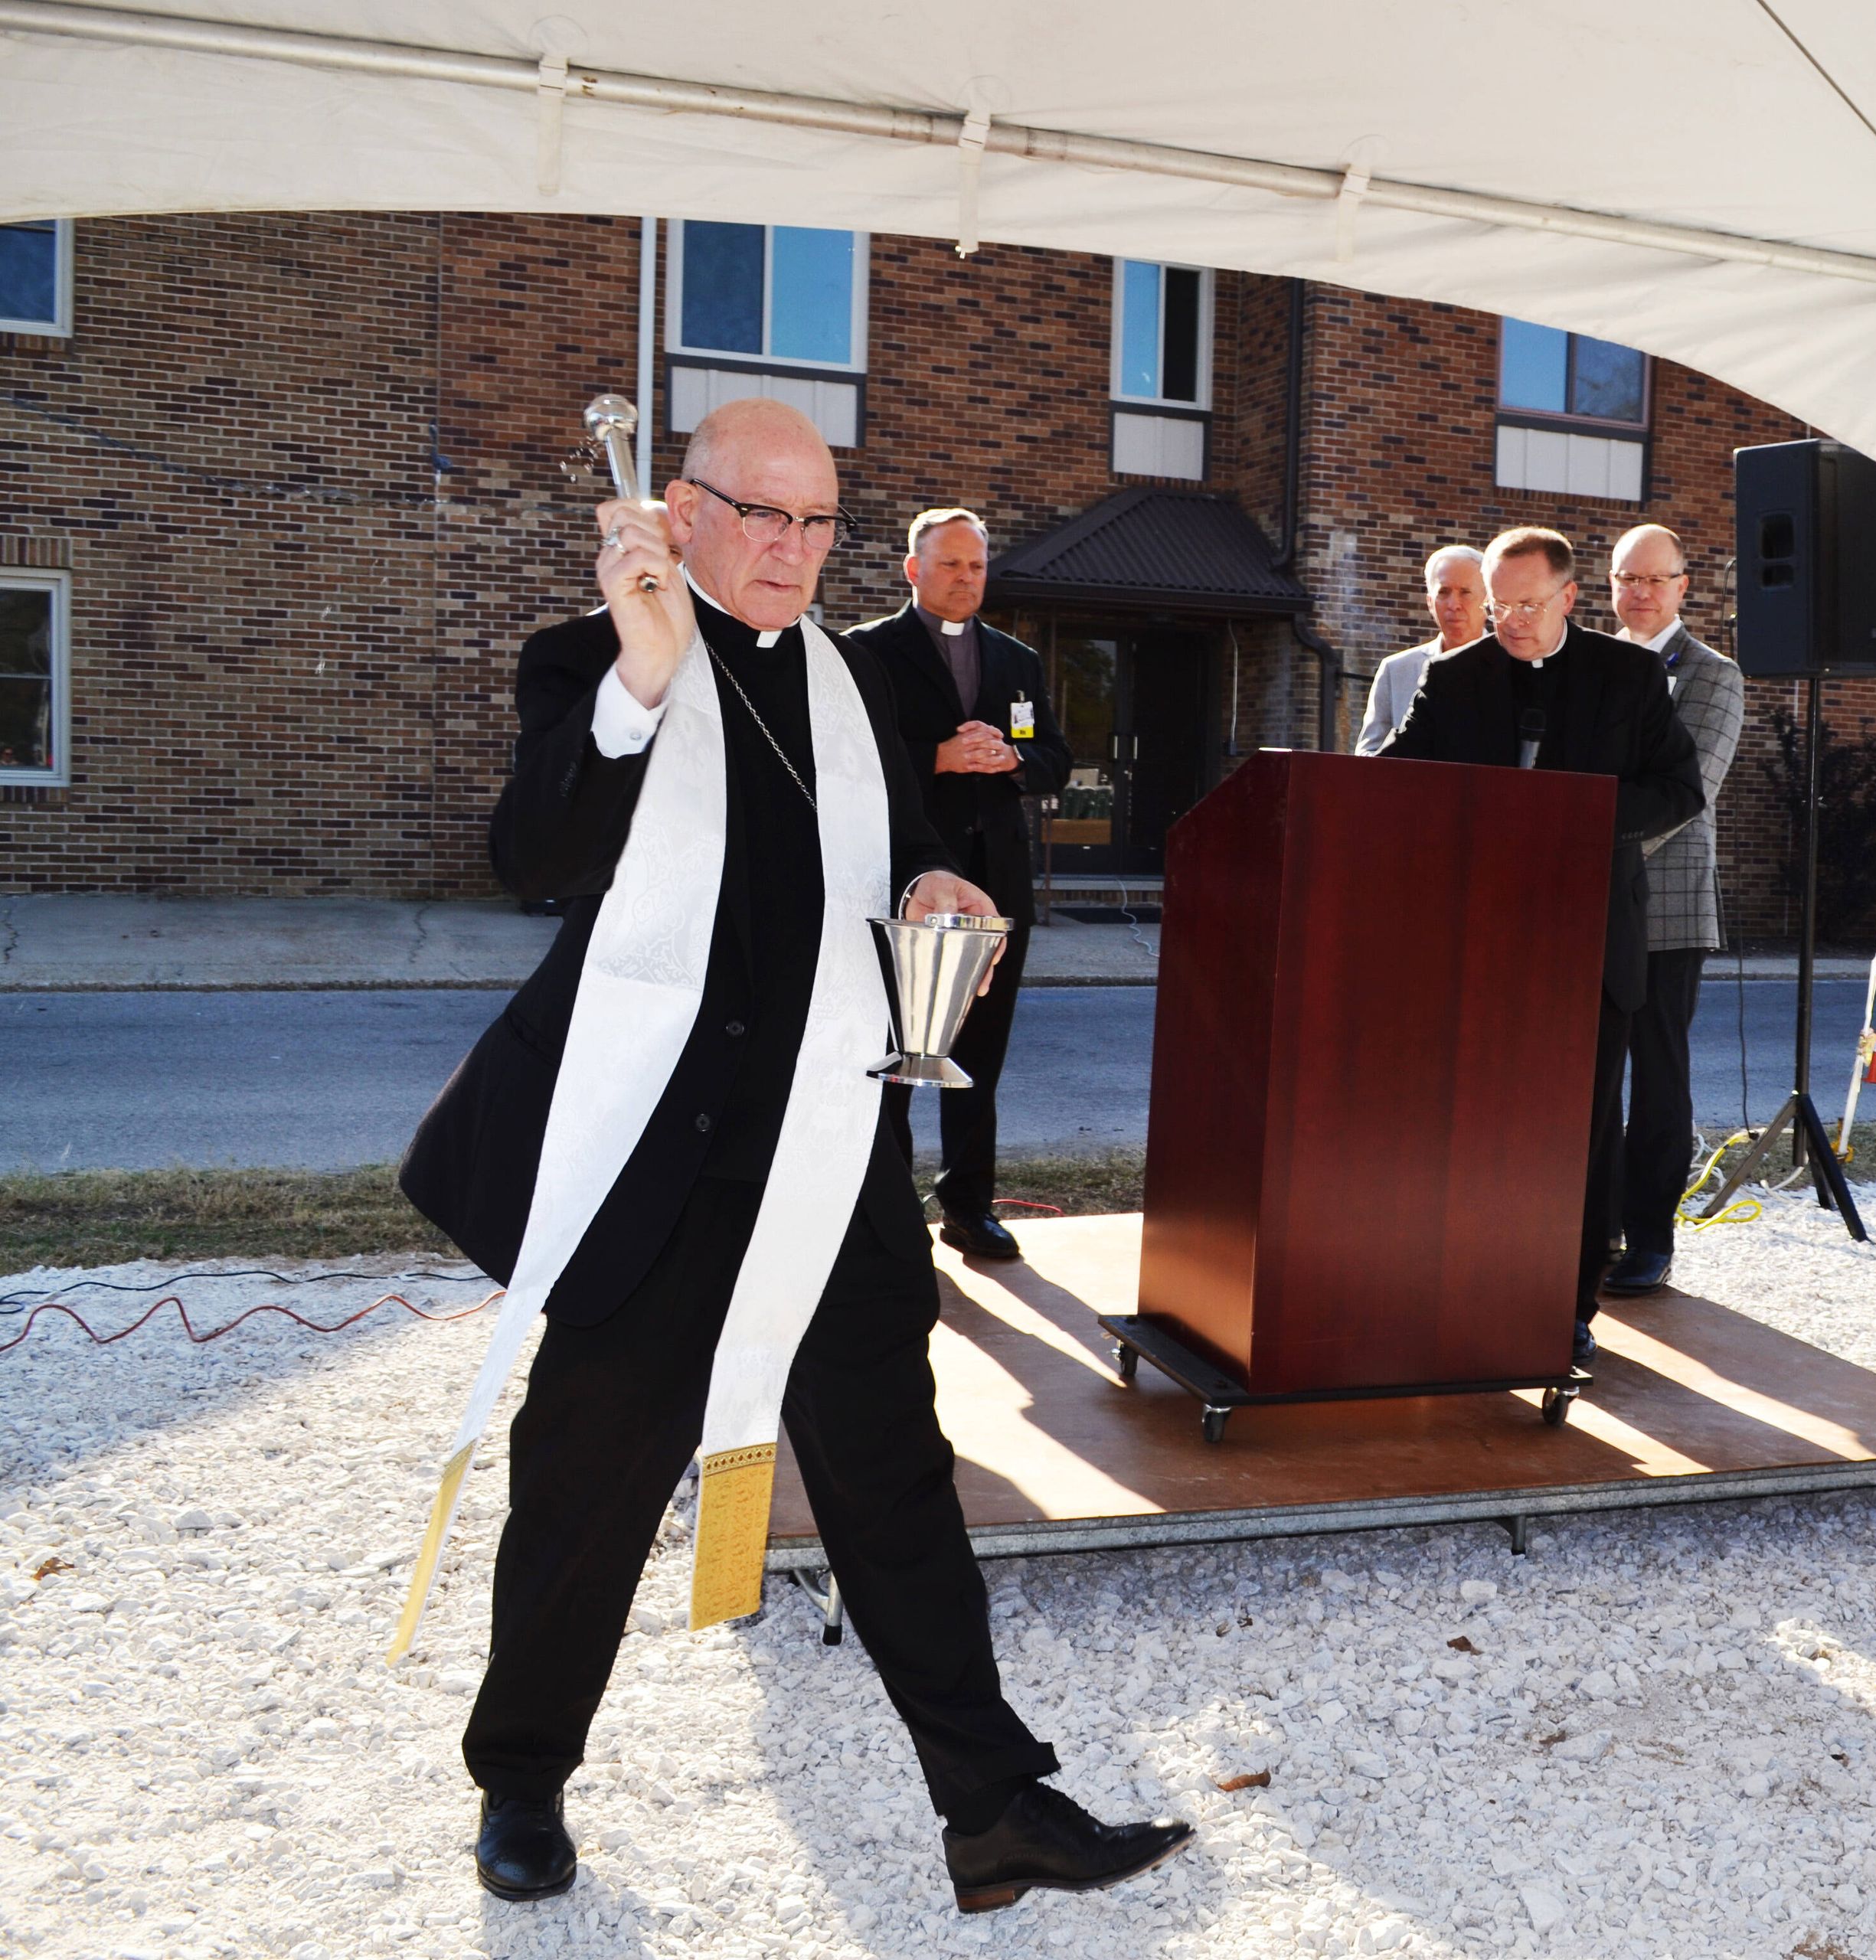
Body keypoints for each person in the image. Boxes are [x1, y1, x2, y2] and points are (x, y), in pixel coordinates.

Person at [397, 399, 1188, 1914]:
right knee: (585, 1489)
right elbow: (535, 858)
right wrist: (640, 674)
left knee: (899, 1484)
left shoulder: (857, 683)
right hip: (659, 1171)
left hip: (834, 1159)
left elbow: (885, 864)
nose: (792, 547)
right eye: (761, 514)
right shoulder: (594, 660)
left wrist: (942, 888)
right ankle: (521, 1775)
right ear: (680, 511)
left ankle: (994, 1807)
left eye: (819, 521)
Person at [1383, 525, 1702, 1367]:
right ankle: (1463, 1282)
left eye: (1528, 604)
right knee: (1474, 1122)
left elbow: (1680, 788)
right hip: (1477, 945)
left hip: (1592, 941)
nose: (1512, 621)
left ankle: (1567, 1305)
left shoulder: (1629, 674)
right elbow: (1391, 781)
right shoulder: (1453, 679)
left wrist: (1579, 818)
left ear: (1568, 596)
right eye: (1498, 606)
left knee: (1581, 1131)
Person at [846, 510, 1070, 1260]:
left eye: (975, 566)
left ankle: (969, 1205)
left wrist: (1012, 759)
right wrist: (938, 757)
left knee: (982, 1050)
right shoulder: (867, 654)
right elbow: (848, 767)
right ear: (913, 569)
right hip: (910, 884)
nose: (965, 579)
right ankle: (886, 1210)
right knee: (903, 1050)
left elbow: (1053, 758)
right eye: (949, 565)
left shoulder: (1016, 660)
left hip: (997, 881)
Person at [1600, 524, 1744, 1295]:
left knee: (1657, 1078)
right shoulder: (1592, 669)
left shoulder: (1715, 676)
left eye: (1655, 579)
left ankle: (1651, 1239)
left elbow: (1688, 796)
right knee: (1590, 1082)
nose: (1640, 593)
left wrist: (1593, 861)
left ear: (1685, 586)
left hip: (1665, 912)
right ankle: (1595, 1228)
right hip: (1590, 907)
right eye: (1627, 577)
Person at [1355, 544, 1485, 753]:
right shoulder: (1395, 670)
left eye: (1465, 592)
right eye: (1444, 592)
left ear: (1487, 601)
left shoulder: (1512, 666)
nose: (1454, 604)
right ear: (1430, 602)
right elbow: (1368, 754)